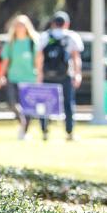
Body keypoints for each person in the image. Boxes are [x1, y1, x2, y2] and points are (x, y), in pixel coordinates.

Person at [35, 11, 83, 141]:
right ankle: (69, 131)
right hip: (65, 75)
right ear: (66, 24)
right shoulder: (71, 36)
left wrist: (39, 74)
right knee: (68, 103)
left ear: (52, 23)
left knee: (45, 103)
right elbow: (76, 57)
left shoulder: (45, 36)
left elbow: (39, 57)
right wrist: (77, 74)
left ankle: (44, 130)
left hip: (47, 75)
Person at [0, 15, 40, 139]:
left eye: (22, 25)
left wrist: (38, 76)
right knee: (12, 103)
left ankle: (24, 131)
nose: (19, 28)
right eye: (17, 25)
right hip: (13, 77)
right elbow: (5, 61)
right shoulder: (10, 43)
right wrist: (1, 76)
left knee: (28, 107)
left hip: (29, 78)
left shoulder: (32, 42)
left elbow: (38, 61)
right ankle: (22, 123)